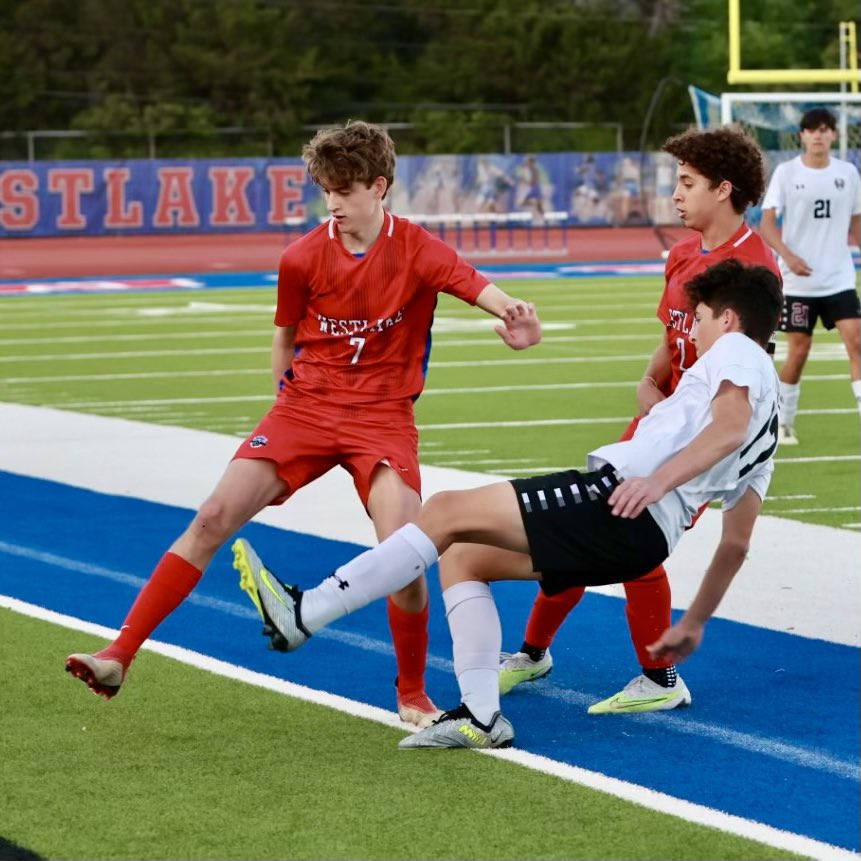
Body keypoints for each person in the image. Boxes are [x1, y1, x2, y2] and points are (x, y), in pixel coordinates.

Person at [64, 120, 543, 728]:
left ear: (379, 187)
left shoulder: (419, 249)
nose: (333, 204)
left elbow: (482, 289)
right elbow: (284, 337)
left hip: (382, 418)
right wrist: (283, 414)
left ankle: (413, 693)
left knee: (404, 555)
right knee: (211, 517)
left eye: (345, 190)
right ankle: (118, 655)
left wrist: (518, 320)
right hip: (305, 409)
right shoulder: (301, 257)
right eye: (326, 191)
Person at [233, 259, 783, 749]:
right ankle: (481, 717)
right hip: (640, 537)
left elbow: (728, 427)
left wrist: (658, 481)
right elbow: (735, 544)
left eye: (700, 318)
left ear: (729, 319)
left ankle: (306, 613)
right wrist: (695, 622)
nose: (694, 331)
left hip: (617, 503)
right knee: (463, 556)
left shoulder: (737, 351)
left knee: (445, 511)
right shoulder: (771, 421)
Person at [499, 125, 781, 713]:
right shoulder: (682, 253)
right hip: (657, 425)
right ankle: (536, 654)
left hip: (694, 442)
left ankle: (656, 677)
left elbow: (746, 377)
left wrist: (688, 433)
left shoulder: (756, 268)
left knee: (623, 538)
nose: (675, 193)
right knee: (584, 524)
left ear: (724, 188)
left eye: (688, 182)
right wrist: (649, 380)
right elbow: (672, 336)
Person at [759, 107, 861, 445]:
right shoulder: (787, 173)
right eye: (811, 129)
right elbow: (767, 224)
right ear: (802, 135)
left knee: (856, 341)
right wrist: (788, 256)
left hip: (839, 278)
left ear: (833, 134)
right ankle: (784, 422)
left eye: (824, 129)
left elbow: (857, 221)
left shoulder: (848, 173)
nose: (818, 135)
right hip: (798, 283)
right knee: (799, 351)